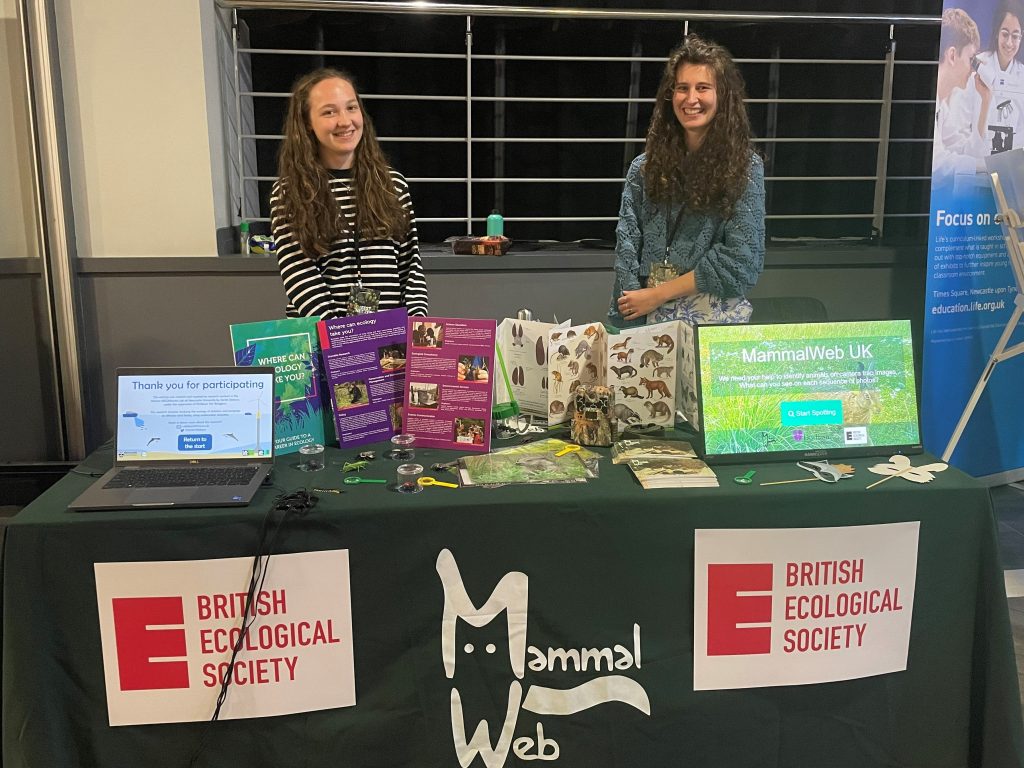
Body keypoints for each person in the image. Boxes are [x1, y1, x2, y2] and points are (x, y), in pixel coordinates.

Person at [609, 35, 765, 328]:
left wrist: (657, 295)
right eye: (682, 88)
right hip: (645, 317)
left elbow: (740, 262)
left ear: (723, 96)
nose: (691, 99)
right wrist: (630, 318)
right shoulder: (643, 168)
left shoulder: (744, 168)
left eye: (703, 88)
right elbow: (627, 248)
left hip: (712, 325)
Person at [271, 68, 429, 319]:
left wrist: (416, 322)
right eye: (329, 112)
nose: (345, 121)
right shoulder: (291, 192)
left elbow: (410, 267)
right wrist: (344, 337)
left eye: (351, 108)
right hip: (322, 339)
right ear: (307, 124)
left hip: (387, 343)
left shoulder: (393, 184)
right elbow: (300, 275)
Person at [956, 0, 1024, 157]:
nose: (1009, 42)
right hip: (975, 164)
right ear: (997, 33)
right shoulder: (978, 67)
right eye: (1005, 34)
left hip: (1011, 167)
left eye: (1015, 36)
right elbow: (962, 127)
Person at [933, 9, 984, 182]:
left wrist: (986, 101)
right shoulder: (928, 100)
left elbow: (961, 149)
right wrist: (984, 166)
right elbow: (937, 165)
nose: (973, 69)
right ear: (952, 55)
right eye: (971, 59)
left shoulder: (943, 106)